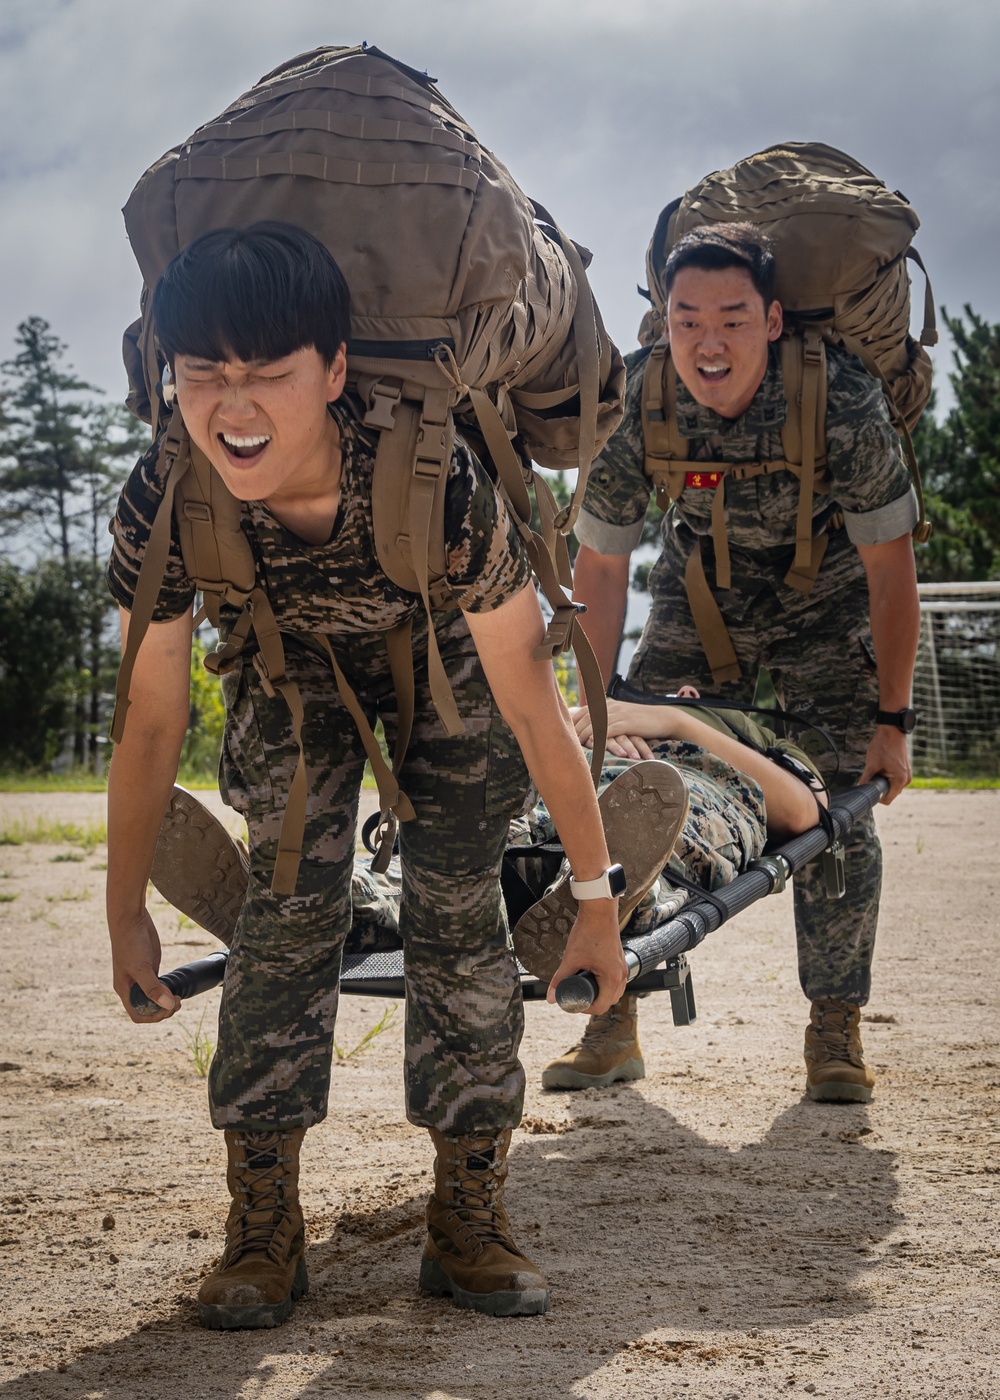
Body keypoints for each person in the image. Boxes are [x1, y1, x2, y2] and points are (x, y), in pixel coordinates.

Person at [104, 222, 633, 1327]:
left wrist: (596, 902)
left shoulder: (433, 481)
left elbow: (534, 705)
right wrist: (123, 918)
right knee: (285, 916)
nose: (231, 406)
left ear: (335, 371)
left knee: (457, 912)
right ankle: (262, 1228)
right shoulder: (166, 491)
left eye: (266, 372)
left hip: (445, 671)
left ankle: (468, 1212)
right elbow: (149, 718)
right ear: (171, 373)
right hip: (287, 673)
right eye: (203, 371)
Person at [568, 222, 921, 1104]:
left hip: (827, 599)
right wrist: (597, 715)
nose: (708, 343)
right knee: (636, 784)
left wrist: (892, 722)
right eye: (687, 320)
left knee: (841, 808)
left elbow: (891, 568)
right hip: (702, 596)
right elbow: (602, 567)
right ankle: (611, 1017)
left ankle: (834, 1025)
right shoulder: (639, 401)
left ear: (771, 319)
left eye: (731, 318)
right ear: (663, 323)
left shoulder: (839, 399)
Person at [153, 688, 830, 1095]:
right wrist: (577, 727)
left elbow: (803, 814)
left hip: (693, 800)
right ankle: (294, 898)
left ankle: (608, 897)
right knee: (469, 867)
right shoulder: (612, 705)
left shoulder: (749, 744)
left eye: (688, 693)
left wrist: (678, 725)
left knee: (661, 836)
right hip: (575, 806)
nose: (682, 690)